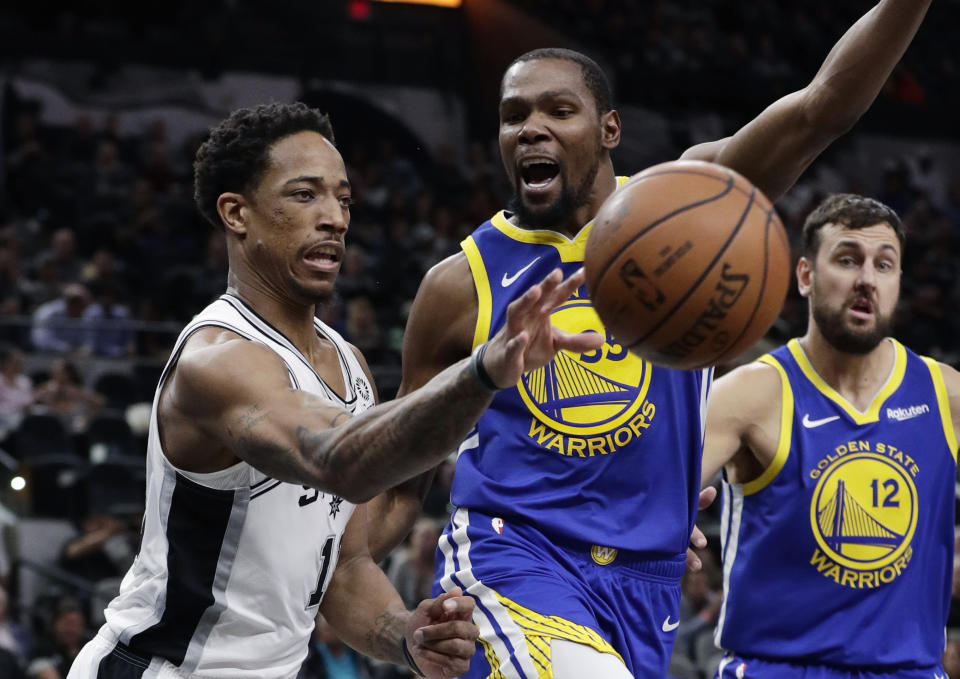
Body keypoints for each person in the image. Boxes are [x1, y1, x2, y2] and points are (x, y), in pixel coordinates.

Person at [378, 2, 933, 677]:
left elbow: (823, 109)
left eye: (558, 110)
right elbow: (397, 475)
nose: (531, 129)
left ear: (610, 129)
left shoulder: (685, 211)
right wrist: (366, 598)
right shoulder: (460, 284)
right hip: (512, 557)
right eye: (513, 115)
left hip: (649, 584)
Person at [66, 102, 602, 679]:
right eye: (305, 195)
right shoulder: (218, 361)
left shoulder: (346, 364)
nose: (335, 218)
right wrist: (480, 373)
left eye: (343, 199)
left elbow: (343, 566)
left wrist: (405, 636)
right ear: (236, 213)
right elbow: (336, 460)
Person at [701, 194, 958, 677]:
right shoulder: (751, 394)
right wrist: (670, 520)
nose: (866, 279)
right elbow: (651, 500)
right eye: (847, 259)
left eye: (884, 265)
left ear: (898, 283)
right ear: (805, 276)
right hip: (778, 668)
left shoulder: (946, 395)